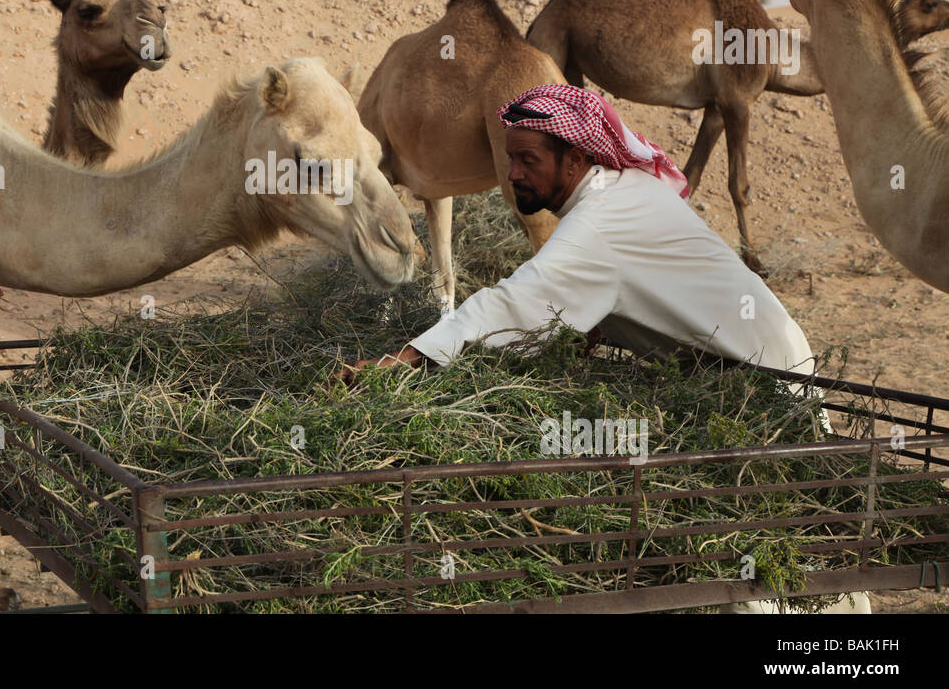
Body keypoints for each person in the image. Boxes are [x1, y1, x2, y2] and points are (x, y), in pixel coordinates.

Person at [341, 84, 865, 614]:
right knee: (768, 530)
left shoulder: (599, 223)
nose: (514, 173)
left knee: (770, 540)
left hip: (760, 378)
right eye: (510, 158)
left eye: (529, 160)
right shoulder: (616, 191)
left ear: (574, 158)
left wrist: (406, 361)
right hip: (734, 367)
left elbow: (513, 303)